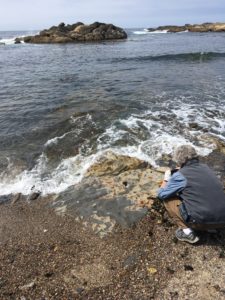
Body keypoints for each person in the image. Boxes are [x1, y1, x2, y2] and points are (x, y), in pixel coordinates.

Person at [157, 145, 225, 244]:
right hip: (222, 219)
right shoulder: (206, 168)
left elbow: (162, 194)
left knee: (168, 200)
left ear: (179, 160)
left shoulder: (180, 175)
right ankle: (212, 227)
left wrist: (166, 179)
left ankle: (188, 233)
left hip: (201, 221)